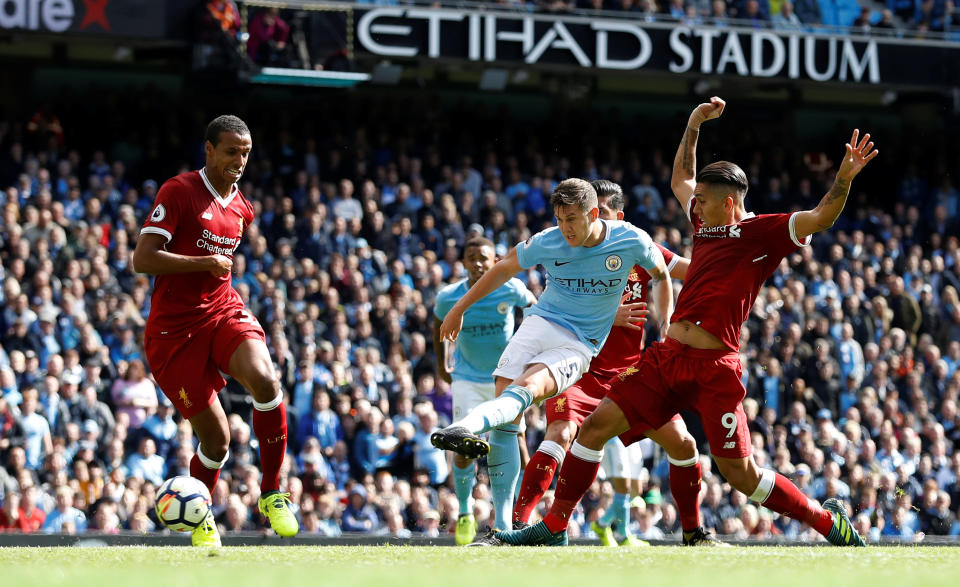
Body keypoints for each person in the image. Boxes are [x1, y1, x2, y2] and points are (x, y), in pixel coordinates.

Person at [495, 97, 876, 547]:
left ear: (730, 203)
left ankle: (827, 523)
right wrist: (694, 124)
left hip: (717, 368)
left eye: (703, 202)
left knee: (741, 474)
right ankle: (553, 526)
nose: (693, 206)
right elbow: (682, 177)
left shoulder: (764, 232)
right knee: (595, 427)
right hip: (668, 357)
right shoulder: (705, 220)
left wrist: (843, 179)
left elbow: (822, 216)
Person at [432, 178, 672, 543]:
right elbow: (504, 266)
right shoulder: (549, 240)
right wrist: (459, 308)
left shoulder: (631, 239)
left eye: (572, 219)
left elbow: (663, 274)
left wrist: (665, 323)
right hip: (540, 323)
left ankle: (465, 426)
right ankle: (503, 529)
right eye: (560, 219)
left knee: (527, 387)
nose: (566, 228)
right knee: (506, 416)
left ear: (594, 213)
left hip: (579, 343)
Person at [510, 179, 713, 547]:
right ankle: (515, 525)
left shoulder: (634, 246)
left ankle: (693, 533)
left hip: (629, 373)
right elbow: (553, 304)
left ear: (617, 216)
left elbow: (686, 269)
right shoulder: (572, 249)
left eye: (601, 214)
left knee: (683, 443)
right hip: (578, 367)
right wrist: (605, 315)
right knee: (560, 434)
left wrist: (734, 259)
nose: (594, 223)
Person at [133, 115, 298, 547]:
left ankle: (272, 492)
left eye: (245, 153)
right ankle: (200, 515)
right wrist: (203, 263)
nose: (239, 161)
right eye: (231, 151)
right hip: (172, 335)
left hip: (222, 311)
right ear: (208, 149)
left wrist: (212, 272)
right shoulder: (180, 191)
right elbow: (143, 259)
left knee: (265, 379)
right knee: (218, 440)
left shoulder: (243, 206)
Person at [432, 236, 536, 544]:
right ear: (463, 262)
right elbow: (437, 322)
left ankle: (505, 521)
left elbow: (534, 309)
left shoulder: (511, 288)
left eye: (484, 258)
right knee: (462, 444)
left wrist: (529, 351)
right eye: (471, 257)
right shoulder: (449, 296)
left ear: (494, 262)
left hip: (504, 378)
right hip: (466, 379)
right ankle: (465, 511)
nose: (478, 263)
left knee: (514, 441)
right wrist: (441, 365)